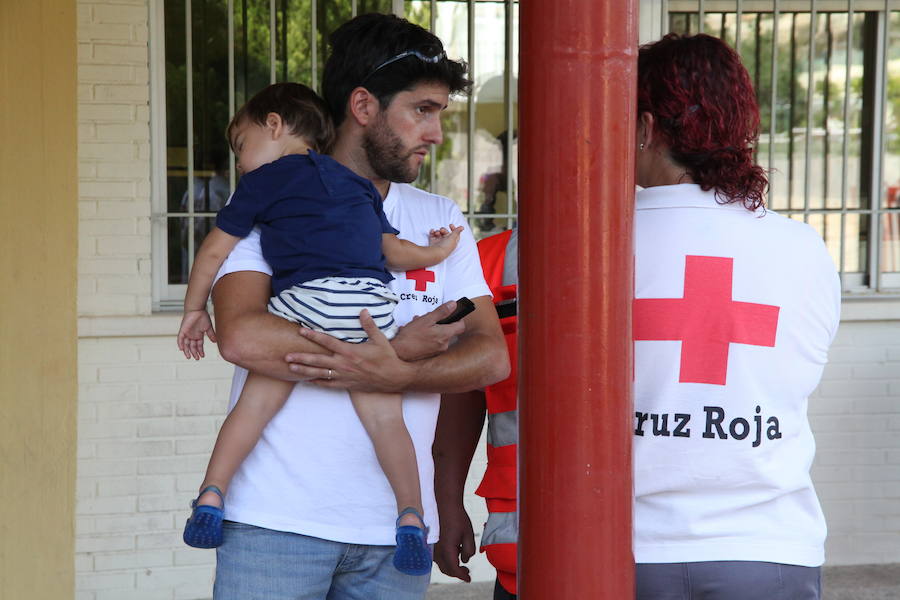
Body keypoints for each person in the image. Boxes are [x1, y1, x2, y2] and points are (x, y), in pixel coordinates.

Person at [204, 13, 508, 600]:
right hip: (275, 524)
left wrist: (398, 372)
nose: (437, 132)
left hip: (397, 534)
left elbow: (490, 358)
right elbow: (242, 336)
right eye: (422, 110)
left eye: (440, 113)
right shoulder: (271, 194)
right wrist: (392, 357)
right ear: (364, 106)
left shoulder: (439, 221)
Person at [176, 82, 463, 578]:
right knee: (387, 423)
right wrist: (437, 254)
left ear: (273, 125)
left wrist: (194, 308)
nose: (241, 162)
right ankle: (411, 515)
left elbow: (214, 251)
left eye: (241, 147)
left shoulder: (263, 184)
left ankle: (211, 494)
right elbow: (391, 252)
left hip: (307, 305)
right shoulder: (356, 184)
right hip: (368, 311)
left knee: (255, 406)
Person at [632, 33, 840, 599]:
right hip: (770, 550)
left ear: (647, 128)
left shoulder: (597, 247)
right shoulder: (804, 249)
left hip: (629, 551)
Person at [433, 227, 519, 600]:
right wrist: (447, 505)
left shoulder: (666, 238)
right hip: (523, 544)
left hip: (657, 542)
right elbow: (463, 394)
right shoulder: (491, 259)